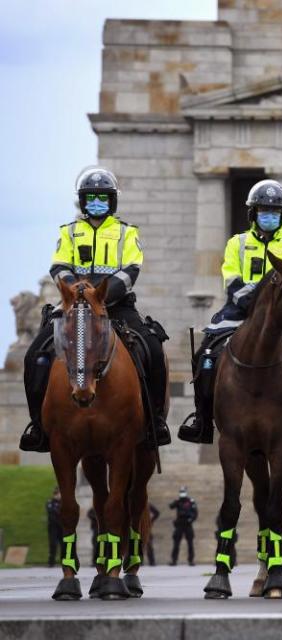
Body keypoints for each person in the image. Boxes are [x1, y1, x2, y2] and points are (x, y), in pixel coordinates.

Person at [20, 166, 171, 453]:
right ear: (83, 201)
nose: (97, 204)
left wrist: (101, 295)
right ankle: (38, 425)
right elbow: (59, 266)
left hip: (115, 306)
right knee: (35, 355)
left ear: (112, 201)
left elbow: (131, 269)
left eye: (103, 198)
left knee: (151, 347)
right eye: (91, 199)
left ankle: (156, 422)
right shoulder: (69, 232)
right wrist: (77, 291)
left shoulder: (127, 233)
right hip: (73, 304)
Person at [178, 179, 282, 444]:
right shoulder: (236, 243)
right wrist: (256, 304)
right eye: (264, 211)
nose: (269, 216)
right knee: (205, 353)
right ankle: (201, 418)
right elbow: (231, 279)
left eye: (274, 212)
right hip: (240, 310)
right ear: (253, 214)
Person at [169, 486, 197, 566]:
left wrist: (191, 520)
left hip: (188, 524)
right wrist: (177, 501)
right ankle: (174, 560)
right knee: (176, 543)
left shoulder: (191, 501)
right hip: (179, 524)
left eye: (183, 492)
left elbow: (195, 513)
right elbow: (171, 506)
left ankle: (191, 560)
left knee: (190, 543)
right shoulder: (178, 501)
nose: (182, 494)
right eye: (181, 492)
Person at [46, 487, 62, 567]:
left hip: (61, 527)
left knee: (63, 545)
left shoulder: (63, 503)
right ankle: (51, 562)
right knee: (53, 544)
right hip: (53, 527)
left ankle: (63, 561)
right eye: (58, 494)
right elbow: (51, 513)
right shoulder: (50, 503)